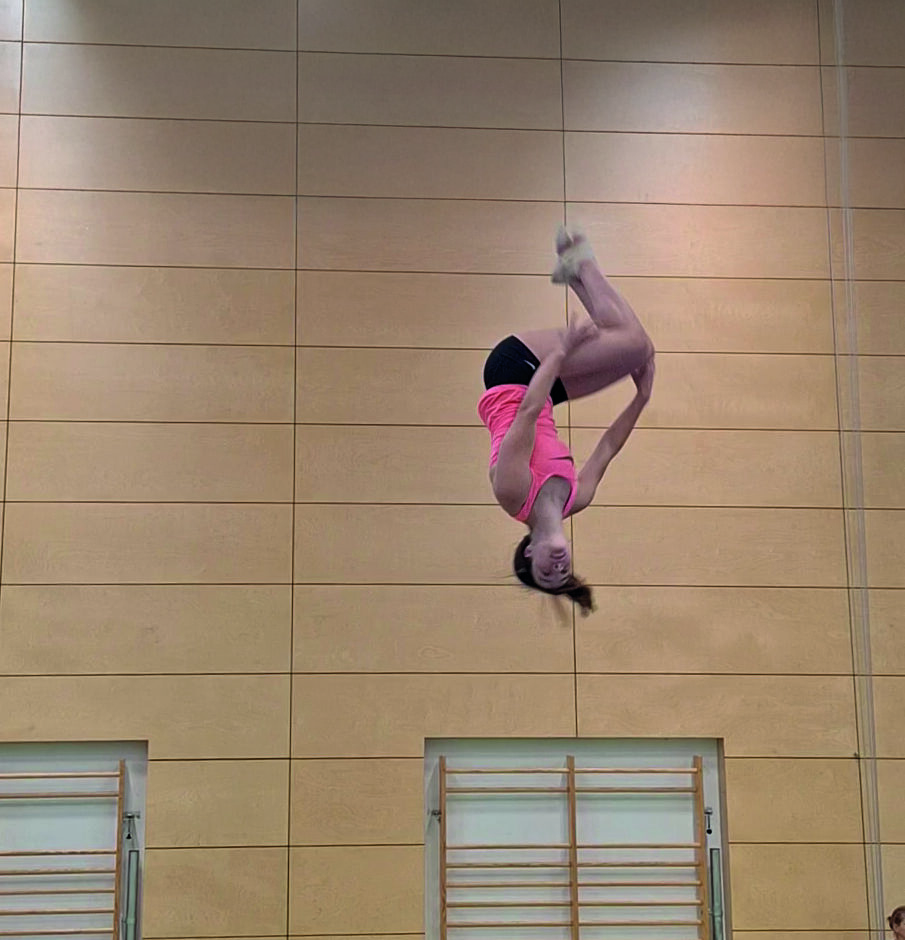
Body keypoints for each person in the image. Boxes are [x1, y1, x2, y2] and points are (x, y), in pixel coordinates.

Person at [478, 227, 655, 615]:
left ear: (530, 552)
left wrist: (561, 351)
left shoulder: (513, 493)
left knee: (633, 344)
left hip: (512, 372)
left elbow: (525, 413)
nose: (558, 567)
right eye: (564, 572)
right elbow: (607, 448)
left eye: (546, 573)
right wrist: (641, 398)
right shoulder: (577, 497)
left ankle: (580, 261)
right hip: (543, 393)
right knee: (638, 353)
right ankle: (575, 272)